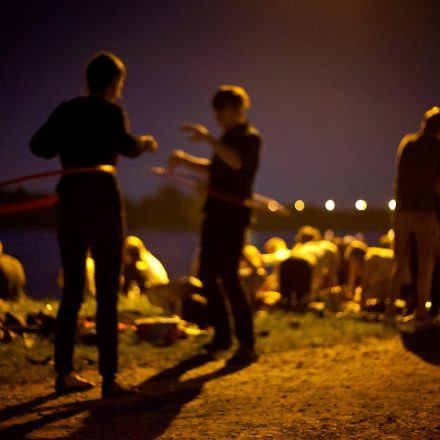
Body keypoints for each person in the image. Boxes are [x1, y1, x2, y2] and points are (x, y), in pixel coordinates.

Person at [30, 52, 158, 398]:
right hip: (102, 202)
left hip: (69, 201)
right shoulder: (112, 112)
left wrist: (69, 142)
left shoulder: (66, 110)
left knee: (72, 288)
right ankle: (109, 378)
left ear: (88, 79)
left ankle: (64, 373)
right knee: (106, 292)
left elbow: (37, 146)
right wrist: (144, 143)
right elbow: (128, 148)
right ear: (115, 83)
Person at [169, 85, 261, 364]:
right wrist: (185, 161)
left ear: (236, 109)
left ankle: (246, 342)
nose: (217, 117)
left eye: (220, 112)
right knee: (207, 276)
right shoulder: (226, 137)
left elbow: (234, 163)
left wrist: (209, 139)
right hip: (214, 214)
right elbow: (215, 169)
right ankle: (222, 336)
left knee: (230, 276)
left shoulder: (249, 138)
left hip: (234, 217)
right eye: (215, 113)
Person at [389, 106, 440, 331]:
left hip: (403, 211)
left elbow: (399, 178)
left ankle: (390, 311)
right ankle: (420, 313)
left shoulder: (407, 144)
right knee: (426, 263)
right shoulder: (438, 149)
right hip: (426, 212)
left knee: (399, 263)